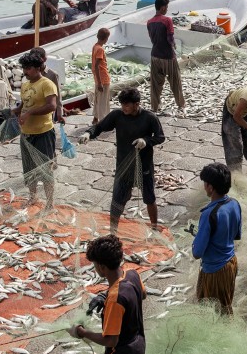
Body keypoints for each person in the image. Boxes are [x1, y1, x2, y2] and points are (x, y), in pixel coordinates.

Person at [71, 234, 146, 354]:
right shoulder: (133, 274)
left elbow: (111, 340)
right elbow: (142, 294)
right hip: (138, 351)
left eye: (95, 265)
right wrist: (104, 295)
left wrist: (82, 332)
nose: (95, 269)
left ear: (102, 268)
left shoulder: (115, 299)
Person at [79, 88, 166, 234]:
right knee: (117, 201)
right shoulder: (117, 115)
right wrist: (89, 133)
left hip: (143, 166)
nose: (124, 108)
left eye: (127, 105)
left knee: (149, 198)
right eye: (122, 104)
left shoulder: (149, 117)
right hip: (123, 166)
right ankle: (113, 232)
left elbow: (160, 137)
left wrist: (145, 140)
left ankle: (154, 227)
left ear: (137, 104)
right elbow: (100, 127)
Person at [192, 163, 242, 315]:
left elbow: (197, 252)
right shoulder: (234, 204)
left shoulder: (209, 214)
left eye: (205, 184)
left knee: (215, 315)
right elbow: (235, 235)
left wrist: (196, 240)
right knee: (225, 306)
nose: (204, 187)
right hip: (231, 264)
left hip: (215, 271)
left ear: (211, 187)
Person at [14, 50, 58, 209]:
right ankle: (33, 197)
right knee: (28, 169)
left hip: (43, 133)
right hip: (26, 133)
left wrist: (30, 112)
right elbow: (24, 103)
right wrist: (17, 110)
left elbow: (52, 106)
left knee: (45, 170)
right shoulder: (25, 85)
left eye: (29, 68)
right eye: (24, 68)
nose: (25, 72)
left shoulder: (47, 83)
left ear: (38, 68)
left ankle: (50, 204)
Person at [147, 0, 186, 114]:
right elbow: (170, 37)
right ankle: (181, 105)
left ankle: (155, 107)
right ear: (163, 7)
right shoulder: (167, 20)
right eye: (167, 7)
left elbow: (152, 39)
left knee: (155, 84)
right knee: (175, 81)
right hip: (168, 56)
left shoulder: (149, 22)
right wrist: (173, 44)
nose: (167, 9)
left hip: (155, 56)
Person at [92, 28, 112, 125]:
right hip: (103, 79)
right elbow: (97, 66)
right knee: (103, 101)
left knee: (97, 99)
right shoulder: (100, 49)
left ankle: (95, 118)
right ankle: (104, 121)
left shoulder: (95, 46)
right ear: (106, 38)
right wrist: (100, 83)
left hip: (98, 78)